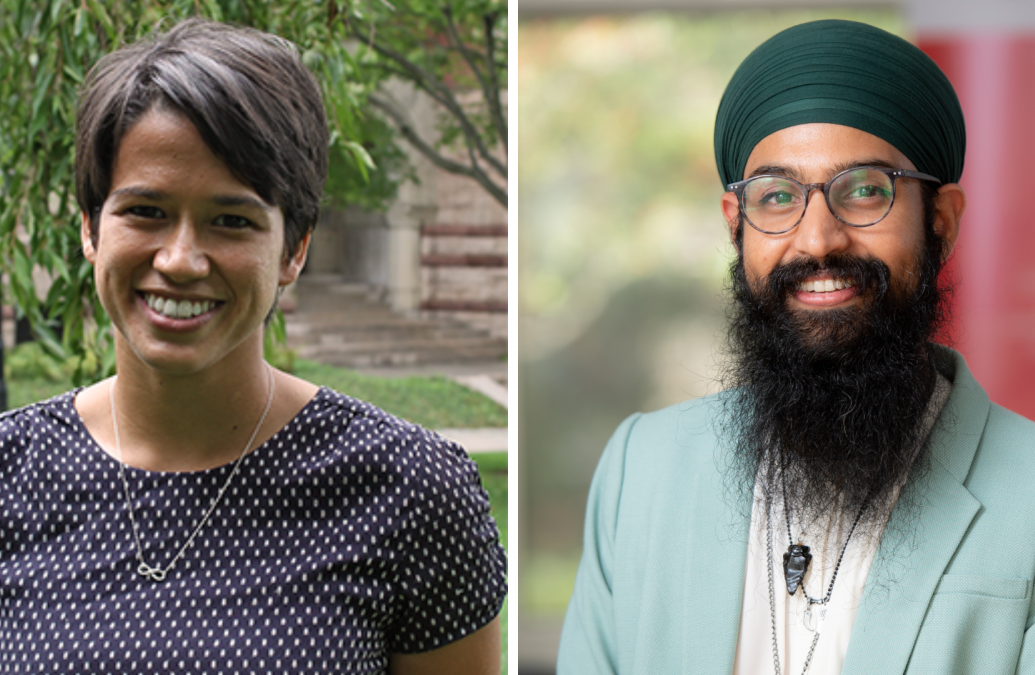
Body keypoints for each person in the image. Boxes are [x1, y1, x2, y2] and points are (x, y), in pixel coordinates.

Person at [0, 18, 506, 673]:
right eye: (145, 211)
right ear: (91, 229)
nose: (180, 259)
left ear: (294, 247)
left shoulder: (411, 492)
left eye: (231, 220)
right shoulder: (12, 474)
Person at [557, 19, 1035, 674]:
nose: (815, 241)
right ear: (736, 228)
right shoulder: (639, 472)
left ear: (941, 223)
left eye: (865, 190)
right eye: (776, 197)